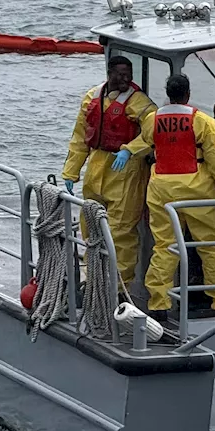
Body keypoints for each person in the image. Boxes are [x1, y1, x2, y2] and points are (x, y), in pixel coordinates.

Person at [120, 73, 215, 323]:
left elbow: (145, 143)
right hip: (198, 190)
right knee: (210, 247)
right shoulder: (203, 121)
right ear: (188, 94)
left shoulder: (153, 119)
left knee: (165, 246)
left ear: (168, 94)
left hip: (162, 189)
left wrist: (126, 151)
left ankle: (159, 303)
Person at [60, 55, 155, 288]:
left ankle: (119, 287)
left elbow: (153, 132)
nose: (125, 79)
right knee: (89, 223)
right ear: (109, 73)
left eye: (128, 75)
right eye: (121, 74)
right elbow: (80, 136)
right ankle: (92, 278)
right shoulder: (92, 97)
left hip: (126, 169)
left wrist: (130, 150)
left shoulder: (139, 103)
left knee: (121, 231)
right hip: (97, 164)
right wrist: (71, 171)